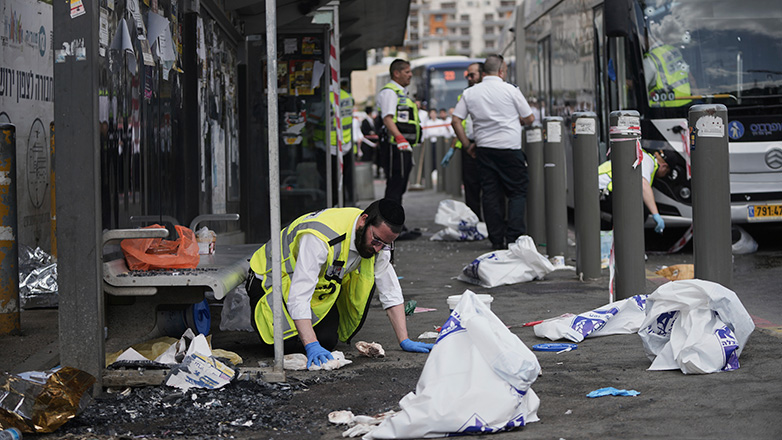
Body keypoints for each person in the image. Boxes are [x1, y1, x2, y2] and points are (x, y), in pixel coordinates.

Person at [246, 199, 434, 368]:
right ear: (363, 220)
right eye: (376, 240)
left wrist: (404, 340)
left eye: (385, 244)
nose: (378, 249)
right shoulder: (320, 238)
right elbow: (299, 294)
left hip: (314, 288)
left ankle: (306, 335)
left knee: (327, 340)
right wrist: (311, 345)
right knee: (282, 345)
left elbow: (389, 288)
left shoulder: (378, 241)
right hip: (270, 280)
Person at [451, 54, 535, 250]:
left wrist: (467, 145)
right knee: (517, 192)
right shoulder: (510, 90)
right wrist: (516, 121)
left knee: (490, 193)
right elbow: (530, 118)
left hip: (484, 150)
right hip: (510, 149)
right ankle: (513, 237)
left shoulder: (470, 93)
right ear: (501, 71)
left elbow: (455, 120)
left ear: (483, 72)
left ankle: (496, 239)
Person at [376, 59, 421, 207]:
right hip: (395, 146)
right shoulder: (390, 92)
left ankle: (395, 223)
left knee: (400, 185)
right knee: (395, 186)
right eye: (407, 72)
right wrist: (400, 138)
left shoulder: (402, 93)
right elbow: (387, 119)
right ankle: (388, 223)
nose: (410, 75)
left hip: (402, 146)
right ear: (396, 73)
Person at [442, 62, 484, 220]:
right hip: (470, 146)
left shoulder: (488, 93)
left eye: (472, 74)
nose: (469, 78)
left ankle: (492, 225)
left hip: (486, 145)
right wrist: (460, 145)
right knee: (471, 187)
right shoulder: (465, 95)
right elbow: (460, 123)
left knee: (489, 188)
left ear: (483, 74)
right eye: (468, 75)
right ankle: (475, 221)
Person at [597, 149, 671, 233]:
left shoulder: (645, 158)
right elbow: (643, 184)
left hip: (602, 191)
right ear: (664, 167)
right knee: (639, 210)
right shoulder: (647, 160)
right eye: (666, 173)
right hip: (601, 191)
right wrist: (656, 214)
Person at [310, 83, 355, 205]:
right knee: (343, 181)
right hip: (345, 143)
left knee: (328, 182)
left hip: (326, 146)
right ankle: (343, 204)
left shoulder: (323, 98)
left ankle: (331, 205)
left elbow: (311, 123)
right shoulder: (347, 96)